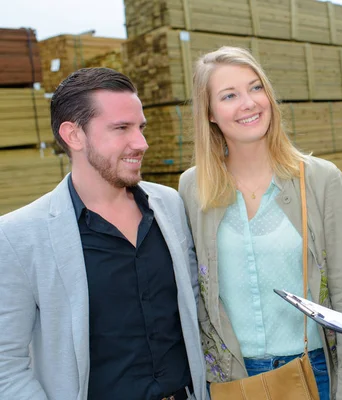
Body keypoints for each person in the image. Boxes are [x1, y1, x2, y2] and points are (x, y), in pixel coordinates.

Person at [0, 68, 207, 400]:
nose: (141, 143)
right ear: (74, 135)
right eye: (121, 128)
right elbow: (5, 368)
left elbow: (196, 309)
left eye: (140, 127)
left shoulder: (170, 205)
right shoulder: (18, 236)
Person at [178, 46, 342, 400]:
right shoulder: (193, 186)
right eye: (229, 95)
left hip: (312, 371)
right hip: (232, 377)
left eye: (255, 88)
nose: (248, 103)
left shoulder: (320, 179)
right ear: (210, 113)